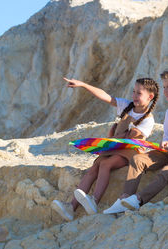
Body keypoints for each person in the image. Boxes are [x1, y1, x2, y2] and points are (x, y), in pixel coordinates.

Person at [51, 77, 159, 221]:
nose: (134, 96)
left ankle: (94, 200)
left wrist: (116, 133)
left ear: (150, 97)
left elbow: (132, 138)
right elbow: (105, 96)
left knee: (105, 164)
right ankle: (71, 207)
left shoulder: (148, 119)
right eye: (133, 92)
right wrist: (83, 84)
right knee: (94, 167)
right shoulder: (127, 106)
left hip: (129, 151)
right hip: (114, 146)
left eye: (138, 93)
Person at [103, 70, 168, 214]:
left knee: (166, 171)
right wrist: (165, 142)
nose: (164, 91)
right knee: (137, 159)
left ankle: (137, 201)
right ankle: (124, 198)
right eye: (164, 87)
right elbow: (167, 135)